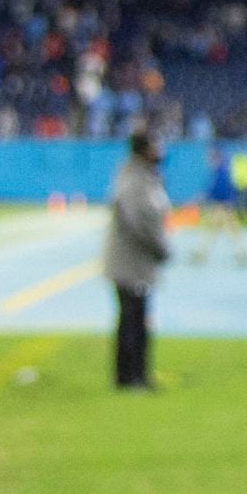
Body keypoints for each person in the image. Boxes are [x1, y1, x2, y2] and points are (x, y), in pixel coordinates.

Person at [104, 131, 170, 390]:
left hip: (138, 262)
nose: (160, 152)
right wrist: (158, 247)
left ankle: (137, 375)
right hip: (130, 262)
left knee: (137, 319)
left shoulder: (146, 177)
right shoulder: (134, 179)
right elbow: (135, 222)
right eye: (155, 146)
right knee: (132, 320)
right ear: (144, 150)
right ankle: (130, 377)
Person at [187, 143, 247, 267]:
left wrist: (206, 198)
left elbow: (219, 190)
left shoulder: (221, 171)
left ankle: (201, 252)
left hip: (221, 206)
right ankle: (242, 252)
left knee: (215, 229)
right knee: (228, 230)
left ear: (216, 157)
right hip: (224, 205)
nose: (208, 159)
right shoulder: (223, 170)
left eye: (210, 156)